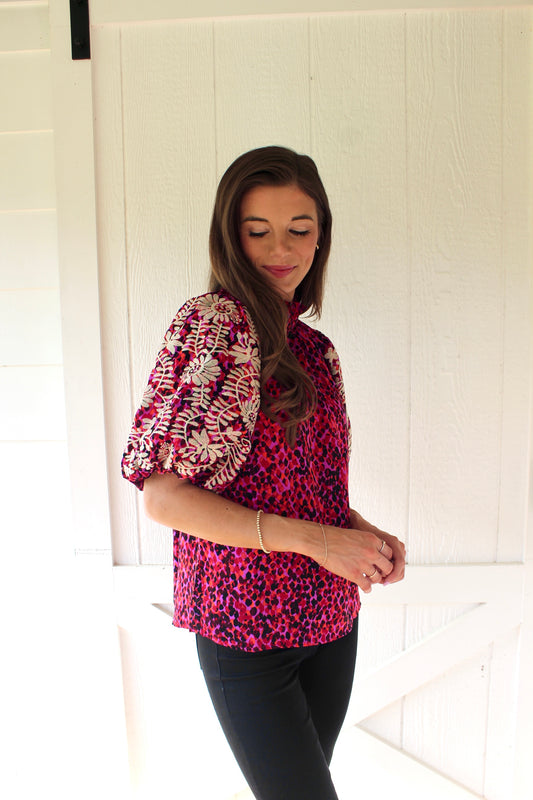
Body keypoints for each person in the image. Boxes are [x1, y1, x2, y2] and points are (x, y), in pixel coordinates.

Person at [121, 145, 406, 800]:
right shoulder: (213, 326)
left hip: (329, 619)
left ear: (320, 237)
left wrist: (362, 536)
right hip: (247, 629)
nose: (280, 249)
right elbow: (164, 498)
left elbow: (311, 490)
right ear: (230, 235)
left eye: (299, 230)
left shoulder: (313, 348)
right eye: (257, 231)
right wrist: (318, 541)